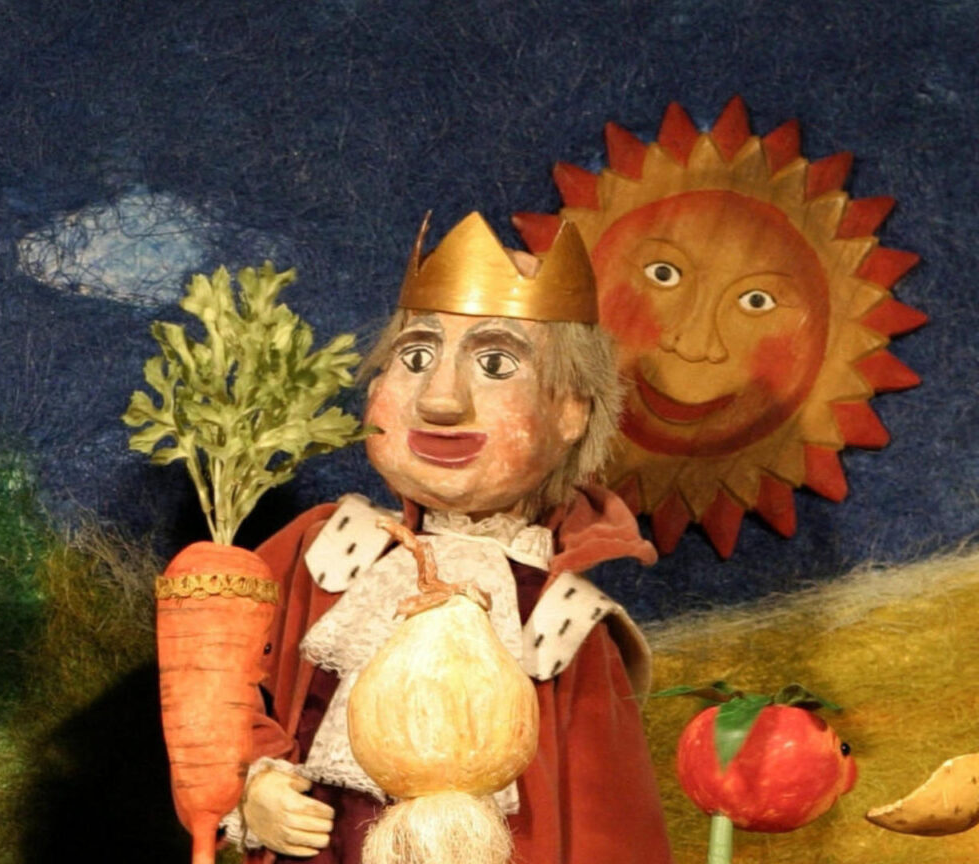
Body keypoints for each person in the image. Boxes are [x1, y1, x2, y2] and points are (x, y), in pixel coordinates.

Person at [226, 212, 674, 863]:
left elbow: (613, 832)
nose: (440, 400)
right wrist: (252, 781)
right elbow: (214, 690)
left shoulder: (562, 624)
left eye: (495, 363)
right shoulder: (325, 553)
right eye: (415, 357)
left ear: (570, 411)